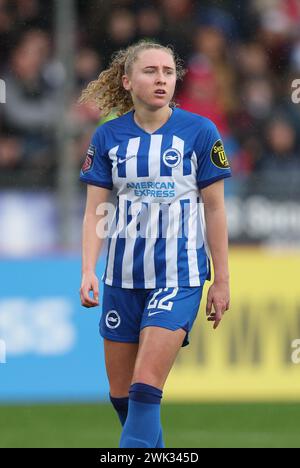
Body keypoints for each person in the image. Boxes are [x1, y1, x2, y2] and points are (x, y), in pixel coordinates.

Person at [79, 41, 231, 448]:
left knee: (146, 387)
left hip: (179, 276)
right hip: (122, 277)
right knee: (123, 396)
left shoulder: (200, 133)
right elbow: (96, 210)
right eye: (151, 71)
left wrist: (222, 280)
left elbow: (214, 210)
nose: (161, 78)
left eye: (168, 71)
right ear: (128, 81)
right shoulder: (108, 136)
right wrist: (88, 270)